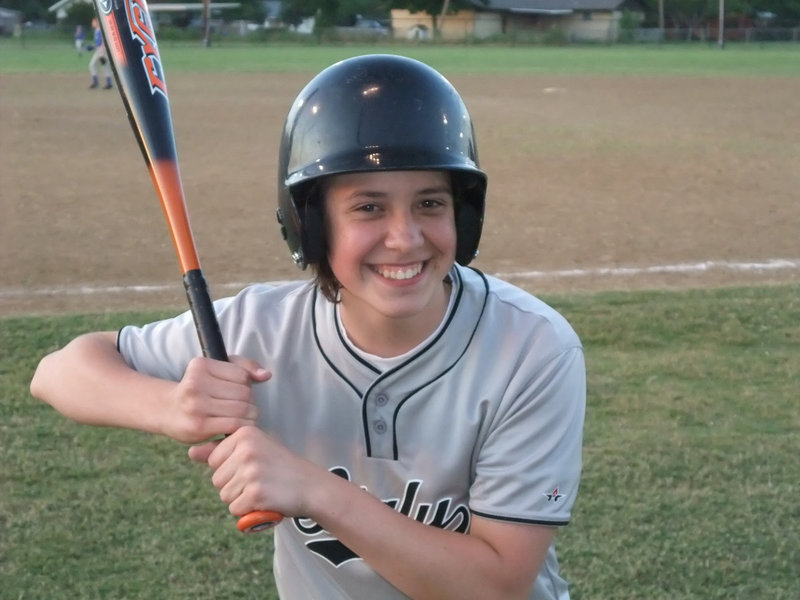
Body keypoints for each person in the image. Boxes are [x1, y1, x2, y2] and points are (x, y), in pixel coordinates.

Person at [30, 54, 586, 599]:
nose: (406, 237)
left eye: (430, 203)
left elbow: (496, 585)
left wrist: (316, 490)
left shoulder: (530, 347)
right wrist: (172, 407)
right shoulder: (260, 329)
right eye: (369, 208)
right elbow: (59, 372)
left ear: (462, 217)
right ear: (312, 227)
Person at [87, 17, 112, 90]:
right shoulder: (97, 31)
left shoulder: (100, 31)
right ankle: (97, 82)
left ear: (97, 23)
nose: (92, 23)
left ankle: (107, 83)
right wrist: (93, 46)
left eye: (93, 22)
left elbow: (100, 42)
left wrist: (92, 46)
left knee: (103, 66)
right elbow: (98, 42)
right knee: (93, 65)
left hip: (102, 51)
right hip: (99, 51)